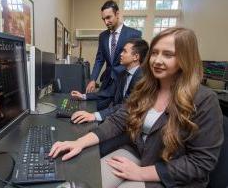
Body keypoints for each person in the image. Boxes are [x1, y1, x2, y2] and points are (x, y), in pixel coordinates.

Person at [49, 27, 224, 187]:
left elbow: (201, 162)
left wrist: (141, 173)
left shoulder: (205, 100)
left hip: (171, 175)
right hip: (139, 154)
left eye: (168, 55)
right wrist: (79, 142)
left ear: (185, 58)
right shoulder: (146, 88)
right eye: (155, 53)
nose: (157, 60)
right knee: (89, 180)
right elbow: (118, 121)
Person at [71, 38, 149, 124]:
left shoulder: (142, 78)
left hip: (130, 122)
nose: (121, 54)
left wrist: (95, 115)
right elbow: (108, 92)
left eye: (124, 51)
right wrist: (84, 96)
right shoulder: (123, 73)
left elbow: (127, 105)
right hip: (119, 115)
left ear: (136, 57)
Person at [86, 0, 142, 95]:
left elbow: (138, 60)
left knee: (119, 107)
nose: (106, 22)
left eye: (108, 17)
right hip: (107, 80)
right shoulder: (103, 36)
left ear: (117, 14)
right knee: (100, 105)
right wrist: (93, 79)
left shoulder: (134, 34)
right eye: (103, 19)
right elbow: (99, 59)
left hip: (124, 80)